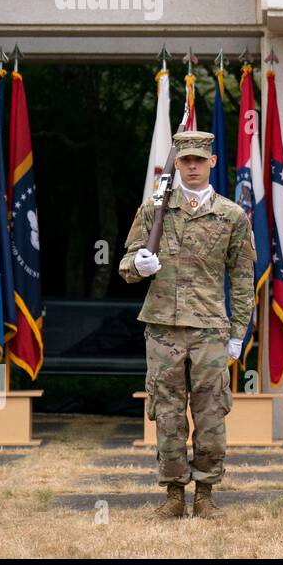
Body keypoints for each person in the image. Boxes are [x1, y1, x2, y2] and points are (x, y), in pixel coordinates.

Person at [119, 130, 255, 519]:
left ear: (212, 162)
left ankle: (207, 493)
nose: (192, 167)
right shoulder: (154, 210)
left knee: (211, 412)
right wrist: (138, 265)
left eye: (199, 160)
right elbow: (126, 265)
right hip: (163, 328)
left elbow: (242, 277)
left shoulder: (231, 215)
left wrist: (237, 333)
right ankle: (174, 493)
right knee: (168, 412)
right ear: (175, 164)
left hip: (210, 329)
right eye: (185, 161)